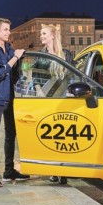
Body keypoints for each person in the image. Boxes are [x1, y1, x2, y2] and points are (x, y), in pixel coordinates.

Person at [0, 18, 29, 188]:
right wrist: (14, 59)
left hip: (10, 96)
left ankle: (9, 170)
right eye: (5, 29)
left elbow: (13, 71)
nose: (8, 32)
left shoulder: (8, 49)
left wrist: (20, 58)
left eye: (9, 29)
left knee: (11, 134)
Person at [38, 24, 72, 185]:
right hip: (47, 100)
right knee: (51, 137)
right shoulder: (40, 56)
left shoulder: (66, 55)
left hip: (63, 101)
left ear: (52, 35)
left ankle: (63, 170)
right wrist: (39, 91)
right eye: (41, 34)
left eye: (44, 33)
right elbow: (37, 78)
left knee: (63, 137)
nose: (41, 36)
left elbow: (71, 77)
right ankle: (54, 170)